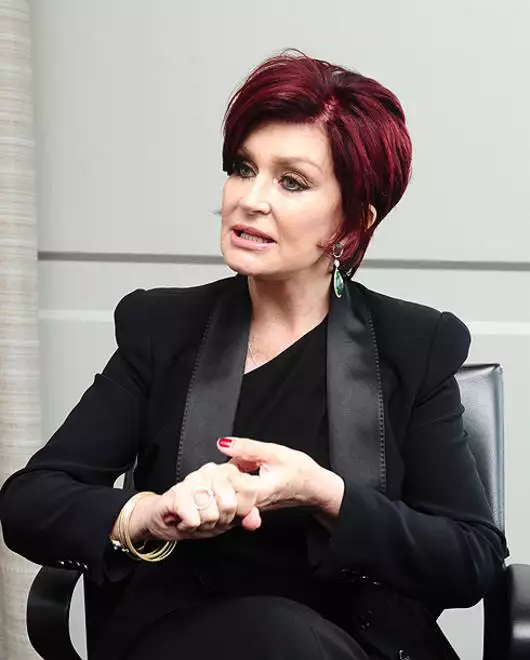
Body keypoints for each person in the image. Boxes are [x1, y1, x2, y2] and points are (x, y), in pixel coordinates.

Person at [0, 50, 507, 660]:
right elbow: (30, 501)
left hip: (354, 644)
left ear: (353, 223)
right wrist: (150, 514)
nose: (250, 199)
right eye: (244, 169)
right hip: (181, 638)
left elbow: (470, 560)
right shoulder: (161, 328)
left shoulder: (414, 344)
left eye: (291, 181)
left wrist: (326, 494)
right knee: (271, 633)